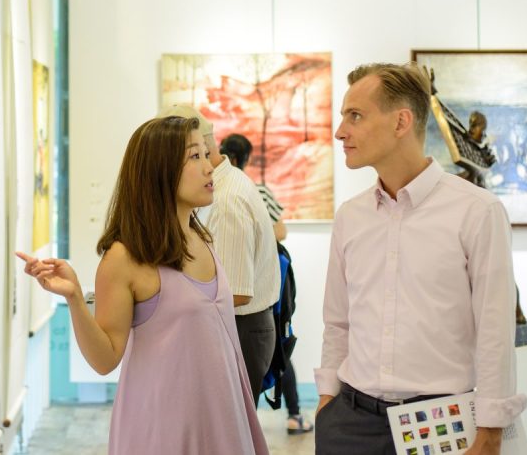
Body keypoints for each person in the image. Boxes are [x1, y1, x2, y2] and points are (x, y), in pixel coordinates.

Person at [17, 115, 268, 454]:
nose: (210, 167)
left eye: (206, 154)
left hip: (222, 420)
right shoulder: (123, 259)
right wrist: (75, 297)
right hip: (162, 430)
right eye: (195, 156)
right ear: (160, 170)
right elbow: (105, 359)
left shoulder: (202, 238)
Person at [315, 63, 526, 455]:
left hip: (440, 425)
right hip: (350, 423)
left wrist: (491, 428)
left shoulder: (477, 212)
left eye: (355, 116)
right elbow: (338, 321)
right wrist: (327, 400)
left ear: (401, 122)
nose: (340, 131)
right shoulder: (350, 216)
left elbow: (495, 330)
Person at [220, 134, 313, 436]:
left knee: (269, 350)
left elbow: (279, 232)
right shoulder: (254, 189)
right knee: (276, 349)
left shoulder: (226, 191)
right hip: (261, 290)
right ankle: (293, 415)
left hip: (243, 292)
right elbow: (280, 231)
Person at [183, 118, 279, 406]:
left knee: (231, 426)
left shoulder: (226, 201)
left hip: (240, 328)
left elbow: (236, 292)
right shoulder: (222, 187)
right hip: (237, 327)